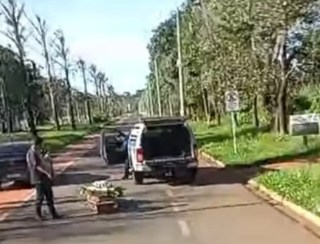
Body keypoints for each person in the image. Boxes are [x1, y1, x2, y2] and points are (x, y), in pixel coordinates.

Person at [26, 137, 61, 221]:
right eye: (40, 144)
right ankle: (38, 214)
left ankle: (53, 213)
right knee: (40, 197)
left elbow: (44, 161)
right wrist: (47, 172)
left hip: (44, 177)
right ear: (36, 144)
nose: (41, 146)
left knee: (49, 195)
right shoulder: (31, 153)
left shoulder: (38, 151)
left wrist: (47, 158)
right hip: (38, 177)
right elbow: (36, 166)